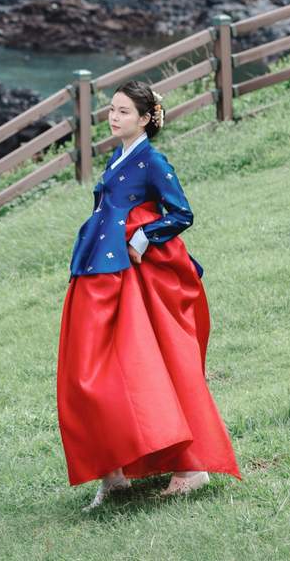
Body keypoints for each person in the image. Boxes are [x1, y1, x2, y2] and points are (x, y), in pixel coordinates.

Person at [56, 80, 241, 510]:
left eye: (122, 111)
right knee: (90, 372)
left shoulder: (153, 161)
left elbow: (181, 213)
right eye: (111, 109)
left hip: (133, 278)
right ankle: (113, 470)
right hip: (98, 271)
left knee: (139, 368)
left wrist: (144, 237)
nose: (112, 116)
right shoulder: (115, 158)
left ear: (144, 119)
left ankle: (190, 466)